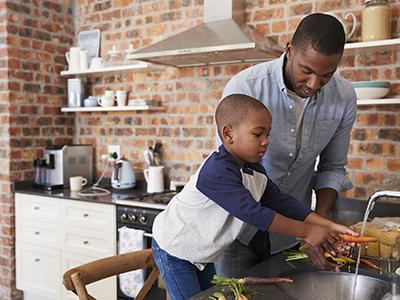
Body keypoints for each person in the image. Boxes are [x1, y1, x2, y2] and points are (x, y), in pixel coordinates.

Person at [151, 94, 357, 300]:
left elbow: (280, 201)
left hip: (199, 254)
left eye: (268, 134)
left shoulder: (253, 170)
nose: (266, 141)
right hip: (175, 250)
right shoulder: (217, 170)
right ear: (228, 133)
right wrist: (309, 231)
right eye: (258, 134)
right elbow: (255, 214)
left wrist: (326, 225)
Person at [216, 12, 357, 276]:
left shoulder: (344, 97)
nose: (314, 84)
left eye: (327, 74)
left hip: (291, 236)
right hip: (237, 232)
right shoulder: (246, 87)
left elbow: (333, 168)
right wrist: (310, 228)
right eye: (307, 70)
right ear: (290, 49)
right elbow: (232, 173)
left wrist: (321, 222)